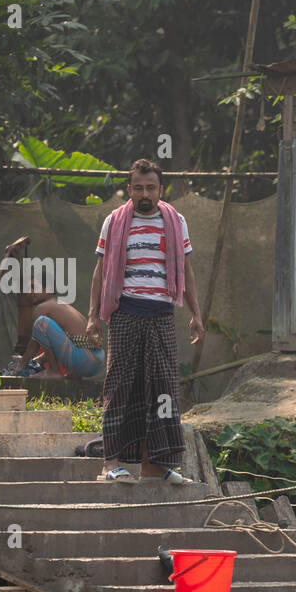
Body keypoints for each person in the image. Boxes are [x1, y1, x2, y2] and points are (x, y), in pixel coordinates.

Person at [87, 159, 204, 484]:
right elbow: (100, 272)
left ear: (160, 190)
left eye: (150, 187)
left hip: (162, 314)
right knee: (121, 387)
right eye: (138, 187)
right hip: (125, 312)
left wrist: (196, 314)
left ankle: (156, 466)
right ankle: (111, 464)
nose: (144, 193)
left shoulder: (175, 221)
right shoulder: (114, 221)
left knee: (164, 389)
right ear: (129, 189)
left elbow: (187, 270)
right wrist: (93, 316)